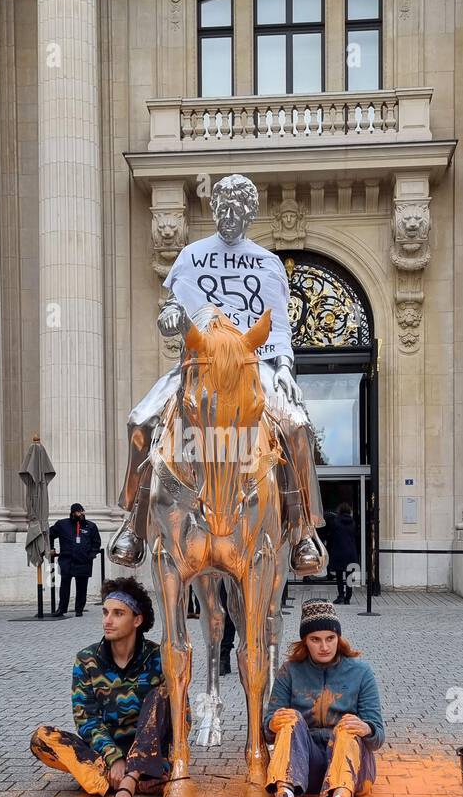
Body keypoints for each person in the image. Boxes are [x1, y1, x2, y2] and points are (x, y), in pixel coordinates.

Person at [108, 173, 326, 576]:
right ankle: (135, 524)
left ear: (250, 215)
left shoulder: (268, 262)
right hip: (198, 364)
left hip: (251, 364)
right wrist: (170, 317)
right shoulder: (191, 255)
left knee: (298, 429)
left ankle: (302, 531)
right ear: (214, 210)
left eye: (237, 210)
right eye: (222, 208)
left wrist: (285, 371)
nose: (229, 216)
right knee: (139, 421)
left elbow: (278, 329)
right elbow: (170, 308)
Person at [29, 577, 176, 797]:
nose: (107, 621)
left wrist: (134, 761)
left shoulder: (160, 658)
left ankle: (127, 782)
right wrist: (114, 757)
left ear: (137, 620)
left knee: (161, 697)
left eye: (118, 614)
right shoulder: (87, 660)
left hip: (150, 749)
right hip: (106, 753)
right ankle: (131, 780)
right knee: (42, 739)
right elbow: (86, 718)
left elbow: (183, 715)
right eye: (105, 612)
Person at [263, 599, 385, 797]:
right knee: (290, 717)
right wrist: (272, 723)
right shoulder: (290, 671)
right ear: (305, 642)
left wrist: (365, 728)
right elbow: (267, 729)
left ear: (338, 637)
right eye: (315, 640)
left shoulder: (361, 672)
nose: (324, 647)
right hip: (305, 768)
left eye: (330, 638)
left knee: (348, 724)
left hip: (351, 768)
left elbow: (378, 736)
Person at [49, 503, 101, 617]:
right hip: (67, 561)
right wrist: (51, 548)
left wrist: (91, 555)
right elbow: (50, 534)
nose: (81, 514)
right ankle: (62, 609)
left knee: (82, 587)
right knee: (64, 586)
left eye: (82, 511)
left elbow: (96, 542)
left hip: (84, 561)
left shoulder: (91, 526)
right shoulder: (62, 525)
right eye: (78, 512)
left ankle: (79, 609)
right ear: (72, 513)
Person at [326, 502, 359, 604]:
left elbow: (331, 537)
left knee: (339, 576)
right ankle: (348, 598)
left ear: (339, 511)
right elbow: (356, 537)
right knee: (349, 577)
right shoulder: (353, 523)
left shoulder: (335, 522)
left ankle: (341, 595)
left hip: (339, 552)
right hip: (351, 552)